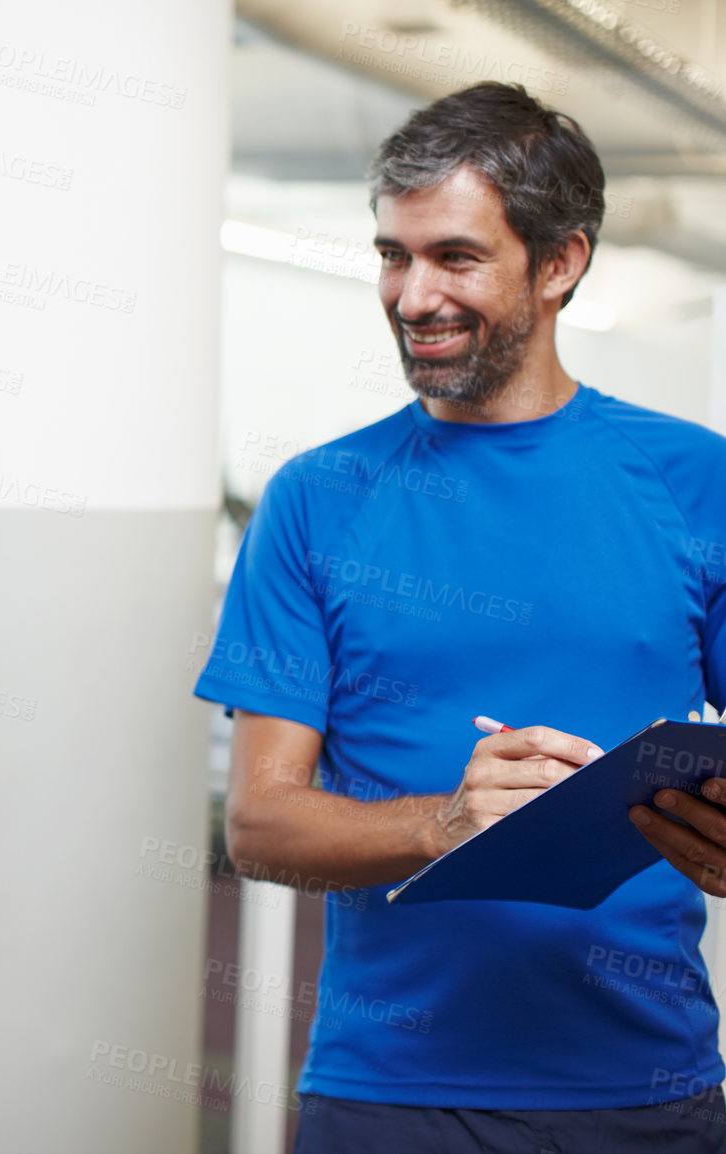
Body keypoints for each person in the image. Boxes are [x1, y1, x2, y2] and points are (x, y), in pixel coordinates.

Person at [194, 82, 726, 1152]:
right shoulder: (317, 496)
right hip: (389, 1094)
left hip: (649, 1094)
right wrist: (449, 819)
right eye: (393, 254)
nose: (411, 293)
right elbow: (257, 825)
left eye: (455, 256)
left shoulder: (692, 479)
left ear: (560, 261)